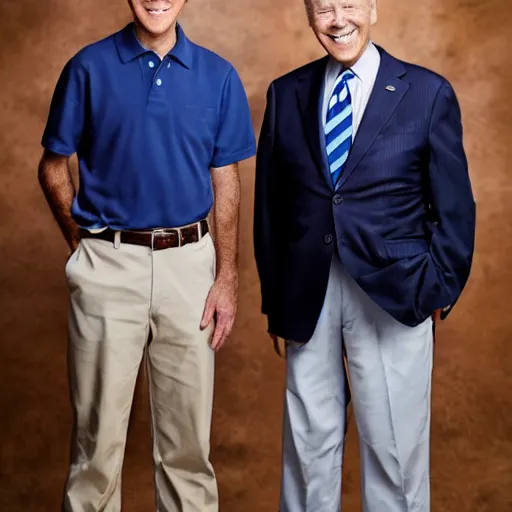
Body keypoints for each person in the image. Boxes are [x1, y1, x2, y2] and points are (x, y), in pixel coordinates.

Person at [253, 0, 475, 510]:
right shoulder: (286, 93)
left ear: (373, 7)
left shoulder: (427, 92)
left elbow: (455, 207)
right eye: (323, 8)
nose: (338, 19)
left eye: (349, 3)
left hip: (396, 292)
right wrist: (276, 302)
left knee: (395, 453)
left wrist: (436, 288)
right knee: (308, 451)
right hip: (307, 293)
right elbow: (271, 205)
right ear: (310, 16)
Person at [38, 0, 256, 510]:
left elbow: (226, 182)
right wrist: (84, 246)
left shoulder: (219, 76)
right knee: (96, 450)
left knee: (188, 449)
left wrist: (227, 277)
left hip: (190, 269)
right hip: (108, 265)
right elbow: (52, 167)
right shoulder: (87, 68)